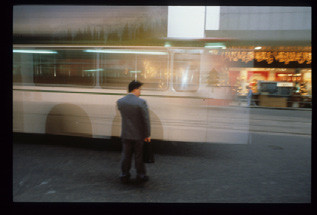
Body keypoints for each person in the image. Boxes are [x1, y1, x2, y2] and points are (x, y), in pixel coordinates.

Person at [117, 80, 151, 184]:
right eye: (140, 89)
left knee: (126, 156)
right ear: (135, 89)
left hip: (126, 134)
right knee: (138, 156)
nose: (140, 92)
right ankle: (141, 175)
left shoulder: (120, 102)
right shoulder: (141, 102)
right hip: (138, 135)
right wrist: (147, 134)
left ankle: (124, 175)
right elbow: (146, 120)